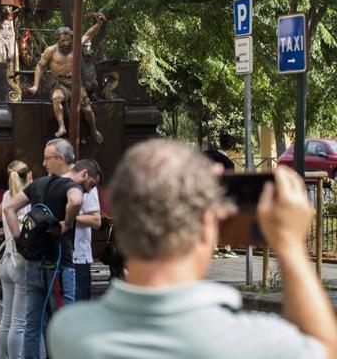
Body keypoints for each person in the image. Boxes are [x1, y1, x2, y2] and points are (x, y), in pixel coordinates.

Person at [48, 139, 337, 359]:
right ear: (208, 225)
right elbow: (325, 346)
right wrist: (289, 246)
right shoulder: (252, 342)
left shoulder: (69, 332)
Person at [2, 140, 101, 359]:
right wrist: (66, 223)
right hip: (59, 264)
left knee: (32, 324)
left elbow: (8, 208)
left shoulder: (38, 184)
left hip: (34, 262)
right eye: (91, 185)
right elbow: (75, 202)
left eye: (47, 158)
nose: (44, 163)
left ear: (60, 159)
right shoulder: (72, 187)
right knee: (64, 323)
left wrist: (20, 240)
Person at [28, 14, 107, 143]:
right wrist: (35, 86)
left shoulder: (76, 46)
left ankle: (94, 129)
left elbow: (89, 35)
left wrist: (98, 24)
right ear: (58, 39)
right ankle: (62, 127)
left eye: (68, 39)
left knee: (87, 109)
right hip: (59, 83)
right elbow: (40, 66)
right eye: (63, 40)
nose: (66, 43)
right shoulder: (50, 51)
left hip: (76, 83)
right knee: (56, 98)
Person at [0, 160, 33, 359]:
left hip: (6, 260)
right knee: (20, 322)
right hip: (20, 262)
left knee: (6, 320)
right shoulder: (28, 201)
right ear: (29, 176)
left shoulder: (6, 196)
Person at [71, 184, 101, 301]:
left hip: (78, 258)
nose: (44, 164)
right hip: (57, 259)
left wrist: (66, 217)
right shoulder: (51, 181)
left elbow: (96, 220)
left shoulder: (86, 185)